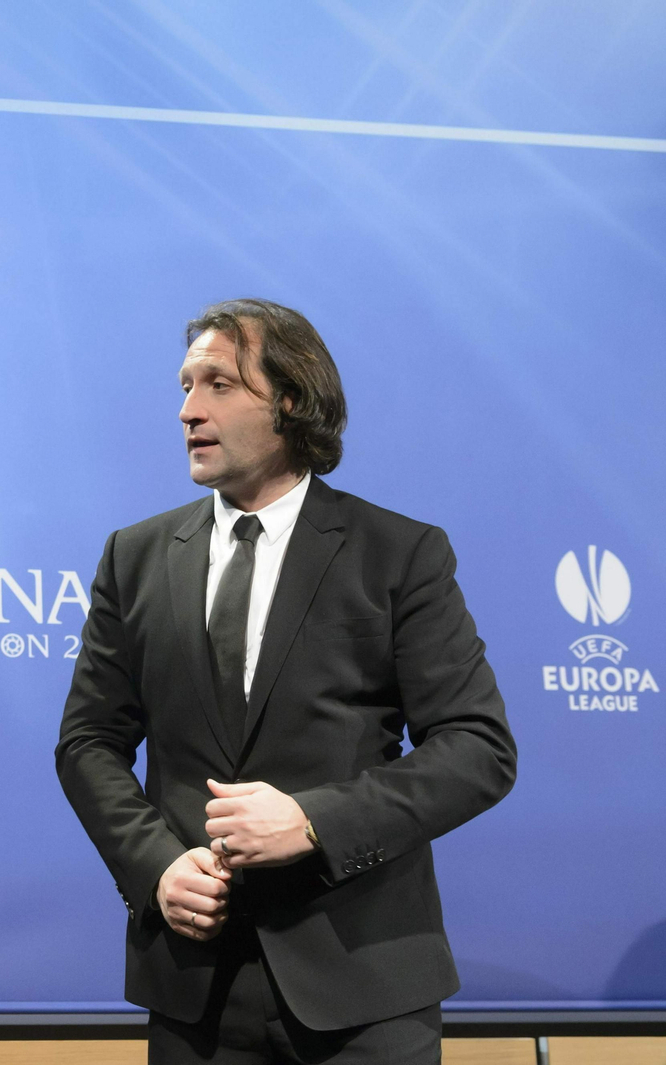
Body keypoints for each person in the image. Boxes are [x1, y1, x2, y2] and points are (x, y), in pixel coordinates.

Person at [55, 299, 516, 1063]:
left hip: (364, 985)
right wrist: (156, 865)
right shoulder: (133, 557)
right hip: (194, 984)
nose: (187, 410)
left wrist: (312, 822)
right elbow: (88, 741)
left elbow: (477, 748)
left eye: (218, 385)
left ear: (291, 400)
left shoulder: (397, 554)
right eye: (184, 385)